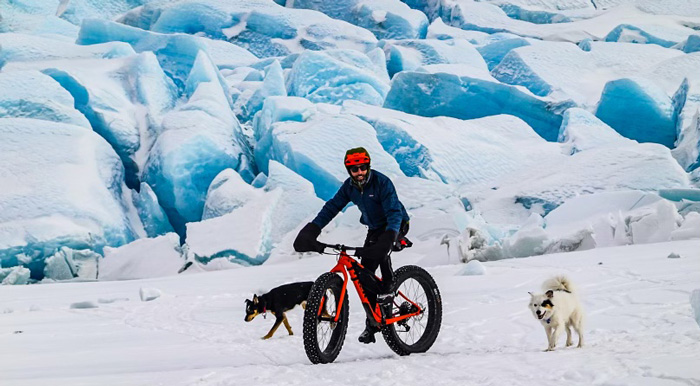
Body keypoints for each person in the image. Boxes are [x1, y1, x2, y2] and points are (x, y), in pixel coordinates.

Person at [294, 147, 410, 344]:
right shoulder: (349, 186)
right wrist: (312, 229)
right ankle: (374, 321)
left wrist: (390, 236)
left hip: (395, 225)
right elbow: (332, 207)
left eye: (362, 167)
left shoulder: (382, 182)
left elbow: (394, 211)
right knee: (365, 273)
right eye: (354, 169)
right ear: (349, 171)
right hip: (374, 228)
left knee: (380, 255)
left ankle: (389, 290)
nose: (359, 172)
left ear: (368, 166)